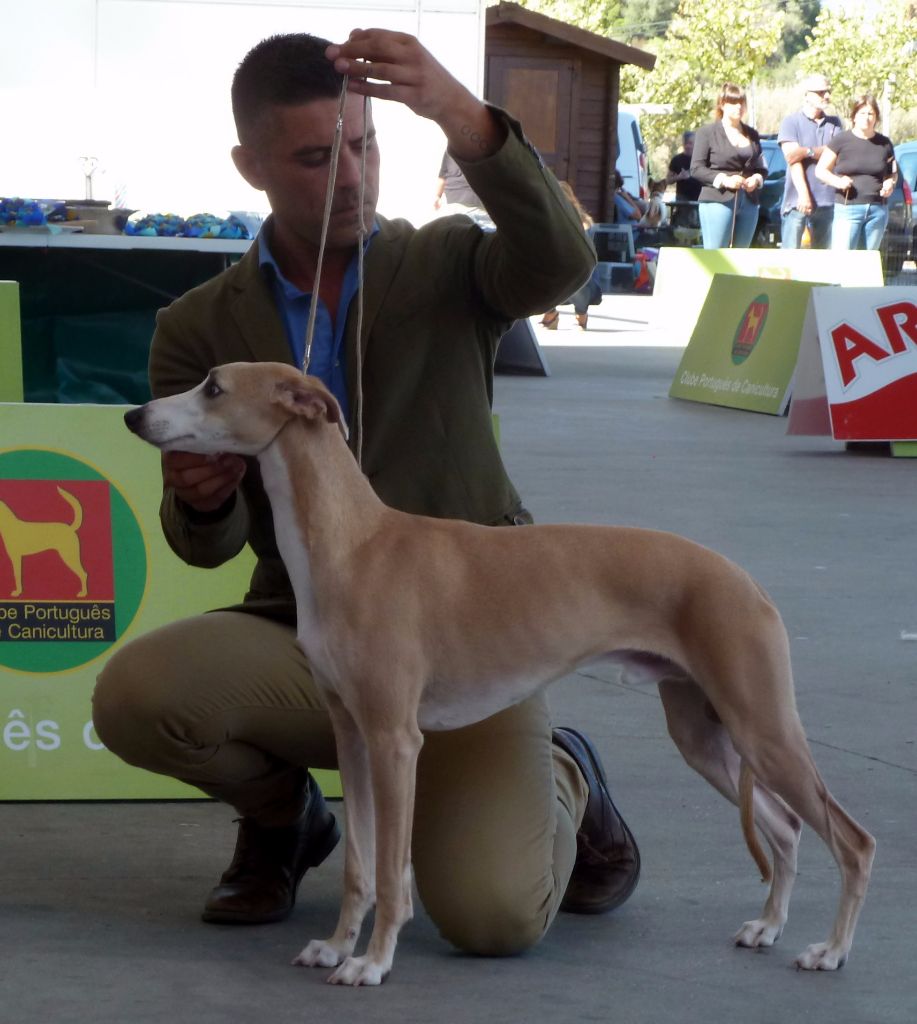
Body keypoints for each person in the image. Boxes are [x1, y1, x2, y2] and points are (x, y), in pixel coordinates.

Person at [91, 29, 640, 956]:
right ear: (250, 165)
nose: (349, 175)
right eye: (314, 156)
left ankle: (565, 772)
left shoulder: (451, 262)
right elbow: (204, 545)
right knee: (139, 696)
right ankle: (285, 821)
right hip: (307, 627)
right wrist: (203, 496)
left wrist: (467, 120)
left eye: (364, 145)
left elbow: (561, 265)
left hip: (469, 631)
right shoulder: (200, 328)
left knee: (492, 915)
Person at [815, 93, 897, 252]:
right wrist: (837, 182)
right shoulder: (841, 140)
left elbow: (892, 173)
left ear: (876, 118)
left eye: (871, 113)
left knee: (867, 262)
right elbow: (821, 170)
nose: (866, 118)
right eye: (862, 113)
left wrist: (890, 183)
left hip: (877, 210)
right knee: (844, 262)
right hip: (848, 209)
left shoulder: (885, 144)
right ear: (854, 116)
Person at [690, 83, 766, 249]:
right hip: (718, 199)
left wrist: (756, 179)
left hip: (749, 202)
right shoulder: (707, 133)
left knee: (741, 256)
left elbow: (762, 168)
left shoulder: (752, 134)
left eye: (741, 102)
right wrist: (724, 180)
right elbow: (696, 169)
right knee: (715, 256)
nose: (738, 106)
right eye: (733, 102)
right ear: (722, 104)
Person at [777, 74, 842, 249]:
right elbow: (793, 159)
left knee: (821, 264)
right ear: (807, 95)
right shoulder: (791, 122)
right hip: (797, 202)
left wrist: (807, 151)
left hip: (827, 201)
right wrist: (804, 195)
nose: (826, 96)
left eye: (828, 91)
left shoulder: (834, 123)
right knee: (790, 260)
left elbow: (836, 154)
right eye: (821, 92)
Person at [540, 181, 603, 330]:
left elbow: (582, 259)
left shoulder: (583, 225)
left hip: (584, 282)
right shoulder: (549, 220)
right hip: (560, 279)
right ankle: (551, 314)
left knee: (574, 274)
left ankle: (581, 314)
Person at [666, 131, 701, 229]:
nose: (688, 146)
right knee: (683, 226)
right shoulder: (676, 160)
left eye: (691, 143)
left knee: (698, 226)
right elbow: (668, 180)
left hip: (700, 198)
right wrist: (679, 177)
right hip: (683, 199)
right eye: (686, 143)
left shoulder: (702, 159)